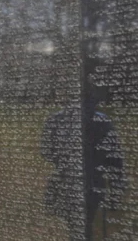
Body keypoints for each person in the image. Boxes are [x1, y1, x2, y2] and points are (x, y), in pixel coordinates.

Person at [41, 101, 126, 240]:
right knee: (79, 226)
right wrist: (116, 190)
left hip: (73, 183)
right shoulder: (102, 120)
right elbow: (115, 159)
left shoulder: (55, 119)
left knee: (80, 226)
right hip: (84, 183)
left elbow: (46, 152)